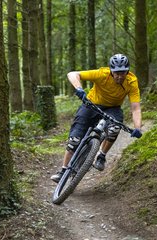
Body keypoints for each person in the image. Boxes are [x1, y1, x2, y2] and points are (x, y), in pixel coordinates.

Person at [51, 53, 143, 183]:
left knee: (114, 128)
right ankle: (63, 171)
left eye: (123, 72)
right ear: (111, 71)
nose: (119, 76)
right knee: (74, 140)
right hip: (91, 104)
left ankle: (101, 156)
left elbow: (135, 107)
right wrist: (79, 88)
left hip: (113, 108)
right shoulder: (102, 74)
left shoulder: (131, 81)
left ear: (127, 71)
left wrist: (137, 127)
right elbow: (72, 74)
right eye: (116, 72)